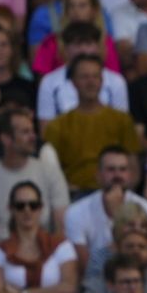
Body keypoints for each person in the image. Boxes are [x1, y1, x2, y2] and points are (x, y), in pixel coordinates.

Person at [0, 108, 69, 243]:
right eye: (25, 132)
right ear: (6, 139)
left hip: (44, 254)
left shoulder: (52, 174)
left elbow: (61, 230)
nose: (33, 137)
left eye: (33, 131)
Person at [42, 54, 140, 192]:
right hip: (74, 195)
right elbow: (50, 172)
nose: (91, 82)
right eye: (84, 77)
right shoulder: (58, 125)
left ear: (102, 81)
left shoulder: (122, 120)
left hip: (116, 191)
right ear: (73, 82)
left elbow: (133, 168)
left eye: (95, 76)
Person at [0, 181, 78, 293]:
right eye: (20, 206)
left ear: (41, 208)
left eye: (33, 205)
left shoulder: (62, 246)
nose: (27, 210)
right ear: (10, 209)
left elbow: (68, 289)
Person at [63, 145, 147, 270]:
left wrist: (117, 215)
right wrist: (117, 218)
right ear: (98, 175)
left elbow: (145, 260)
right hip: (95, 282)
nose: (117, 175)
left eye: (122, 169)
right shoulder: (76, 212)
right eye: (111, 169)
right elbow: (85, 267)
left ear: (130, 175)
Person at [35, 21, 128, 129]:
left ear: (98, 48)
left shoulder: (117, 81)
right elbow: (46, 130)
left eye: (88, 44)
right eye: (77, 44)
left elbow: (121, 125)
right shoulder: (49, 82)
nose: (83, 50)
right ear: (65, 49)